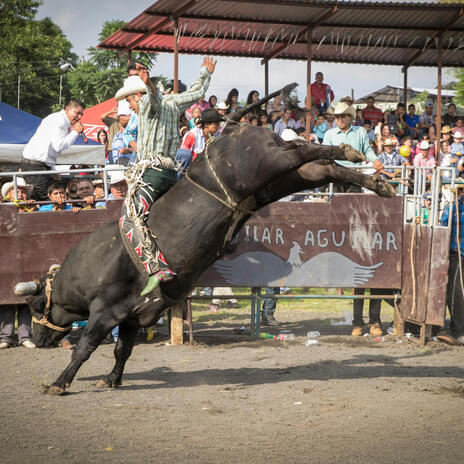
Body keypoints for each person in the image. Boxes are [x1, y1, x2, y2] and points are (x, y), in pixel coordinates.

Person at [114, 56, 216, 296]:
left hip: (152, 173)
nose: (129, 106)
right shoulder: (174, 101)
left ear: (138, 95)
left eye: (129, 100)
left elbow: (153, 100)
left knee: (128, 218)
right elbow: (197, 91)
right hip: (171, 174)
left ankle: (156, 268)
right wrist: (205, 72)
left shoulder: (149, 102)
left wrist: (148, 85)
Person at [21, 99, 85, 200]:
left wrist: (53, 171)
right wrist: (75, 132)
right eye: (77, 113)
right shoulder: (60, 120)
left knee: (53, 196)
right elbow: (58, 146)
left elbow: (49, 150)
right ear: (67, 109)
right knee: (44, 200)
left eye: (81, 114)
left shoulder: (59, 119)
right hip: (35, 166)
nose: (79, 117)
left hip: (40, 165)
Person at [439, 186, 464, 344]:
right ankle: (459, 330)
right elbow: (443, 229)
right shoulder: (453, 207)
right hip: (457, 253)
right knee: (456, 292)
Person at [176, 108, 225, 180]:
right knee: (186, 154)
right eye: (216, 124)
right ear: (207, 124)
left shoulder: (216, 136)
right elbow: (184, 157)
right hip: (190, 169)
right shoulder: (192, 135)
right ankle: (178, 182)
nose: (219, 127)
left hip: (205, 170)